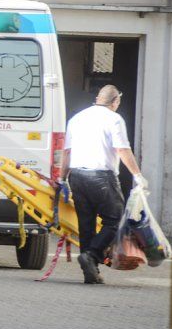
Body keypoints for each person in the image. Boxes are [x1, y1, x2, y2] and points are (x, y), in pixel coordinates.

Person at [60, 84, 147, 284]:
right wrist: (137, 175)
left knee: (86, 224)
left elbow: (67, 152)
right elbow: (122, 150)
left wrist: (61, 178)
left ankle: (90, 272)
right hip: (102, 177)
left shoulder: (77, 118)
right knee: (116, 221)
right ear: (115, 101)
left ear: (98, 99)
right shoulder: (114, 119)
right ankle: (92, 255)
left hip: (77, 177)